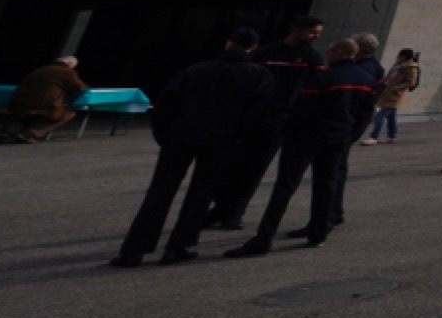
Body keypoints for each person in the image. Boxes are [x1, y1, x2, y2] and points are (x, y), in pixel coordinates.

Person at [112, 30, 271, 267]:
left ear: (228, 44)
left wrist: (164, 134)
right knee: (201, 193)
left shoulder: (197, 70)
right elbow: (257, 113)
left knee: (159, 192)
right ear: (254, 48)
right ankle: (179, 246)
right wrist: (239, 139)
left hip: (180, 137)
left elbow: (166, 103)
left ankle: (134, 250)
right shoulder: (259, 75)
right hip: (222, 142)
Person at [228, 39, 373, 255]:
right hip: (338, 139)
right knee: (326, 185)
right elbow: (364, 114)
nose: (327, 55)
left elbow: (302, 109)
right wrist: (350, 137)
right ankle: (318, 233)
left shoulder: (324, 77)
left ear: (339, 52)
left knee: (284, 187)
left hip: (306, 138)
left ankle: (264, 237)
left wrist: (289, 133)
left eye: (330, 51)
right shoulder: (366, 80)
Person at [214, 16, 326, 229]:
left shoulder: (312, 57)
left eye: (318, 33)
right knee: (233, 163)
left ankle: (235, 212)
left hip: (281, 118)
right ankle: (220, 208)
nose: (316, 37)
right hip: (253, 115)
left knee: (256, 166)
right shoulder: (267, 52)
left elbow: (316, 89)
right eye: (313, 32)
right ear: (297, 29)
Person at [323, 32, 386, 231]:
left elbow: (360, 105)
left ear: (362, 49)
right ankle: (333, 212)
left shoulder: (364, 71)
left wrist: (352, 133)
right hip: (347, 128)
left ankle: (328, 215)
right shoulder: (371, 67)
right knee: (336, 171)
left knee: (333, 173)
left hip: (342, 128)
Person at [8, 55, 87, 144]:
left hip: (19, 105)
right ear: (70, 64)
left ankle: (28, 130)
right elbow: (80, 87)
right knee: (68, 114)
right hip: (44, 106)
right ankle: (31, 133)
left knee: (41, 111)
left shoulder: (41, 69)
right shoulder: (67, 72)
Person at [364, 47, 419, 144]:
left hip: (395, 95)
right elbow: (390, 77)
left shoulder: (410, 68)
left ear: (404, 57)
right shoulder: (398, 65)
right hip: (388, 92)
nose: (397, 57)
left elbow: (411, 83)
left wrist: (395, 88)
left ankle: (374, 137)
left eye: (399, 56)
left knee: (381, 115)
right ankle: (392, 136)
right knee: (391, 116)